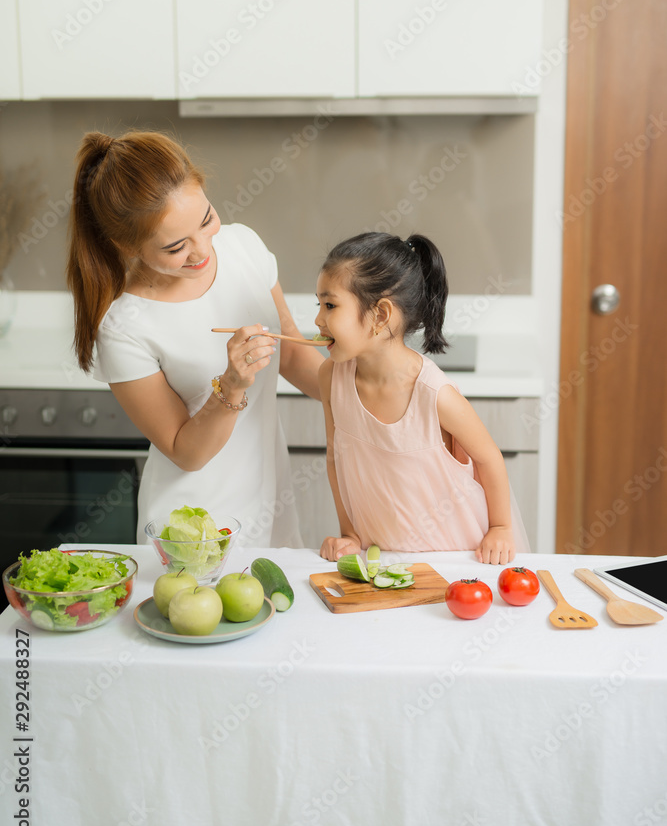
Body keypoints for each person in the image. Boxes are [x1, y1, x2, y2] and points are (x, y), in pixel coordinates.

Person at [66, 129, 323, 546]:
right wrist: (232, 384)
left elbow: (291, 354)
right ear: (127, 246)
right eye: (176, 247)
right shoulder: (124, 327)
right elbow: (187, 452)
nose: (203, 250)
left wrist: (368, 389)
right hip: (191, 527)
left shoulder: (244, 246)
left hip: (270, 500)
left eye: (206, 220)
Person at [315, 232, 529, 565]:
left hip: (455, 558)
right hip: (382, 558)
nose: (317, 320)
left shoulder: (434, 394)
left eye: (330, 305)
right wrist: (351, 535)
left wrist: (501, 528)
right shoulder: (331, 378)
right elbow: (335, 460)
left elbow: (488, 458)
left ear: (381, 315)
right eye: (320, 305)